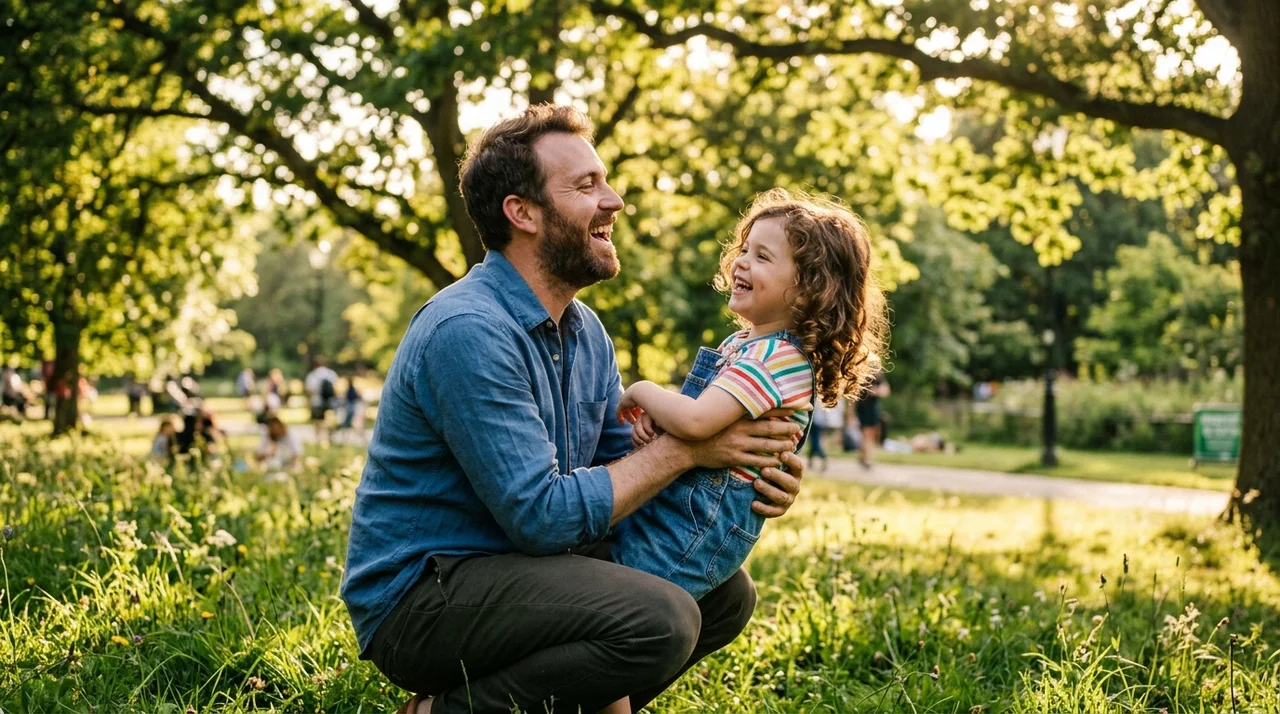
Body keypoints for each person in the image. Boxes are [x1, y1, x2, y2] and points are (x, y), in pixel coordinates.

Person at [340, 105, 807, 714]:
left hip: (523, 568)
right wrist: (690, 447)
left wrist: (743, 468)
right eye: (586, 186)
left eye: (605, 180)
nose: (613, 201)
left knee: (723, 594)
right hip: (426, 595)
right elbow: (542, 516)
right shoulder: (468, 330)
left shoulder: (585, 331)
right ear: (523, 213)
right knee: (659, 618)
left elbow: (621, 467)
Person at [612, 190, 887, 604]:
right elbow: (698, 418)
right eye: (745, 249)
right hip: (672, 512)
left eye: (762, 257)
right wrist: (662, 417)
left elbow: (697, 422)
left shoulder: (777, 357)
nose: (740, 261)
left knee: (626, 605)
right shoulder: (744, 344)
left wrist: (642, 391)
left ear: (810, 289)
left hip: (687, 530)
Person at [855, 367, 890, 468]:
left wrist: (877, 391)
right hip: (864, 406)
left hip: (874, 407)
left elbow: (886, 389)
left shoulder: (878, 373)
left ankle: (863, 456)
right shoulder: (862, 371)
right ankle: (867, 457)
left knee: (870, 433)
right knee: (866, 433)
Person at [304, 357, 338, 445]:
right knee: (329, 419)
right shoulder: (331, 373)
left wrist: (308, 403)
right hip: (330, 401)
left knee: (318, 421)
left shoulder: (312, 375)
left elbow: (309, 390)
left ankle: (319, 439)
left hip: (317, 401)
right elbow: (336, 388)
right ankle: (329, 438)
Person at [810, 398, 846, 473]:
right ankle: (810, 460)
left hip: (815, 421)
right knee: (813, 441)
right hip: (818, 421)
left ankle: (823, 458)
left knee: (815, 442)